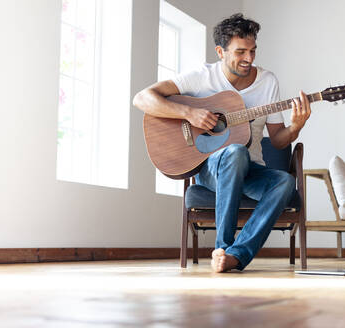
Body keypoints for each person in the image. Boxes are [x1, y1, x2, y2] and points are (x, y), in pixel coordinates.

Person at [133, 13, 311, 272]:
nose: (248, 59)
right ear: (221, 51)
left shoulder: (268, 82)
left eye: (252, 51)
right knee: (235, 151)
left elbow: (278, 141)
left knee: (284, 182)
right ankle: (223, 247)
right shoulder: (202, 77)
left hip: (251, 170)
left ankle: (236, 256)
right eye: (240, 52)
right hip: (211, 170)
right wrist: (189, 113)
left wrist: (296, 126)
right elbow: (142, 98)